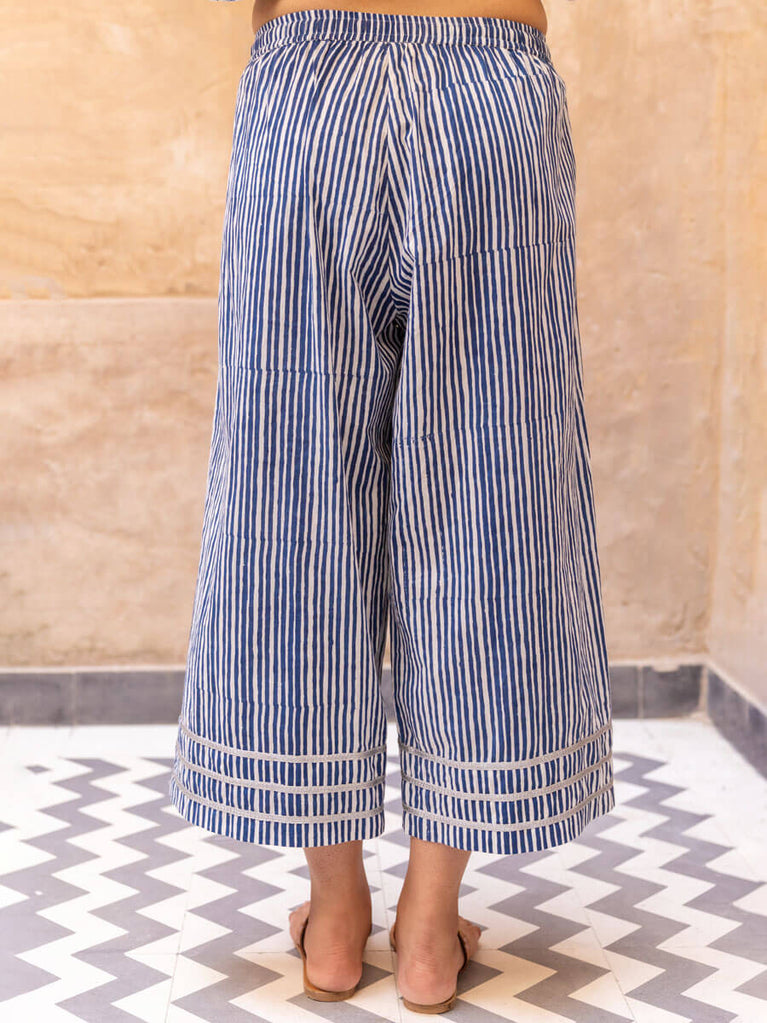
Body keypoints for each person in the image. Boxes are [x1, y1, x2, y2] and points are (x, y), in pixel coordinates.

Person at [169, 0, 615, 1013]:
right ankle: (427, 927)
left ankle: (334, 918)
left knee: (290, 498)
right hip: (491, 99)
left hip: (306, 91)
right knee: (491, 494)